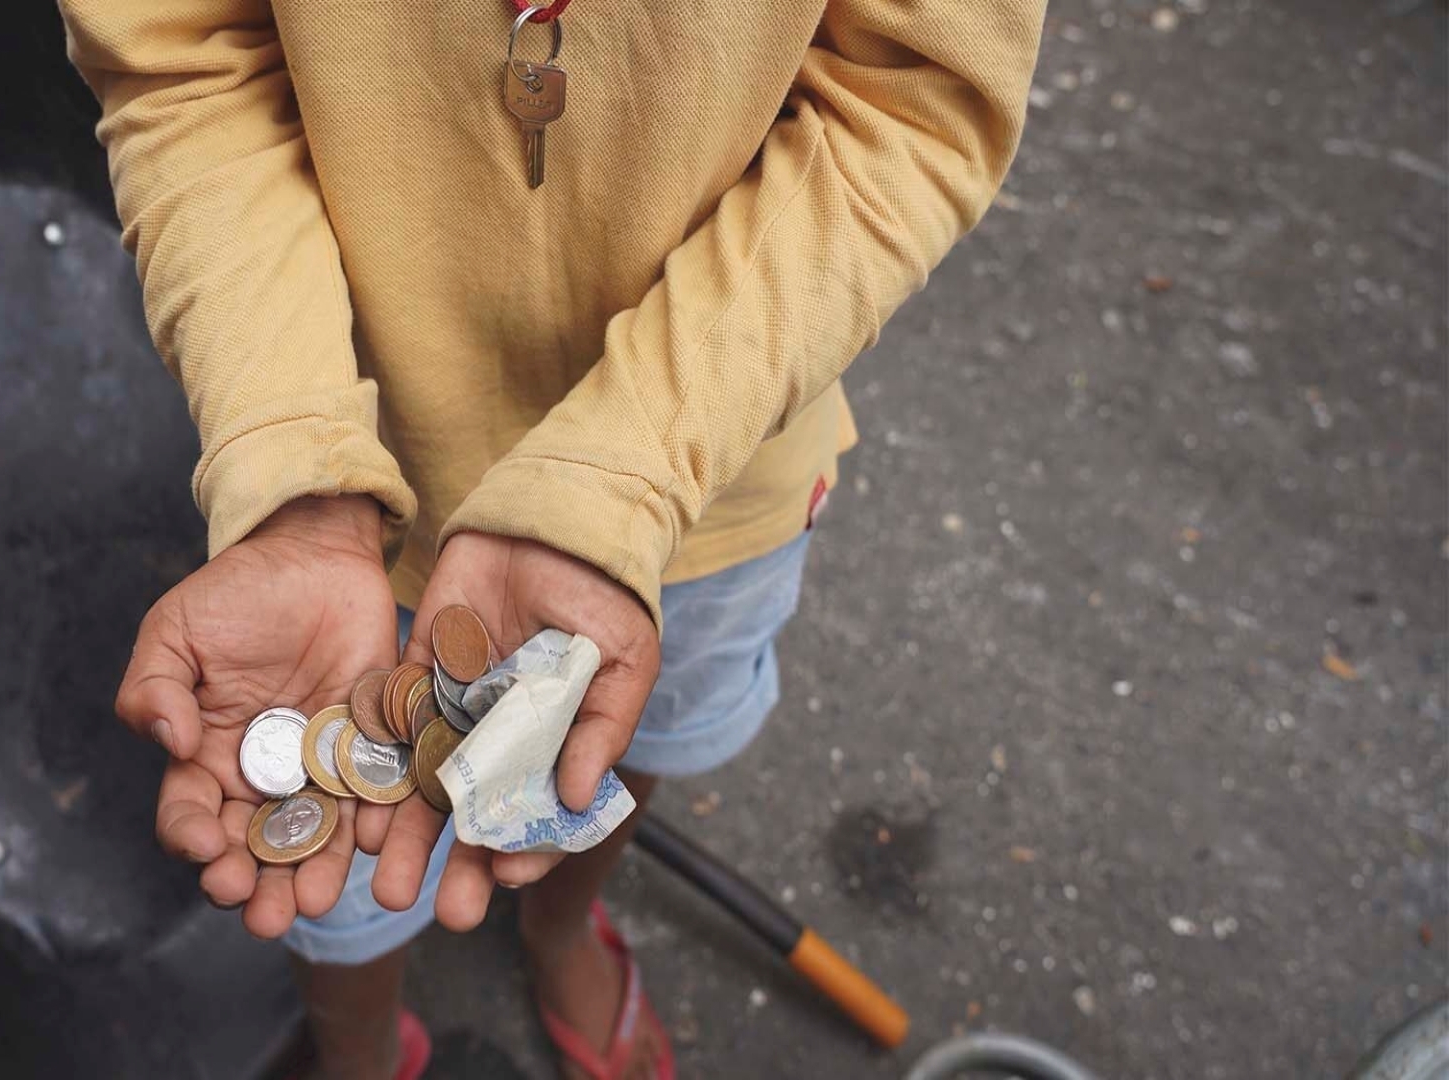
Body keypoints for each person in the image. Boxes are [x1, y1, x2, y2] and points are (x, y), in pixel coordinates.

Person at [59, 0, 1044, 1076]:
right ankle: (358, 1043)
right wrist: (295, 468)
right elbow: (182, 55)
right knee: (332, 873)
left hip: (710, 470)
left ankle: (560, 922)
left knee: (624, 751)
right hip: (351, 466)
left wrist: (627, 478)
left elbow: (912, 100)